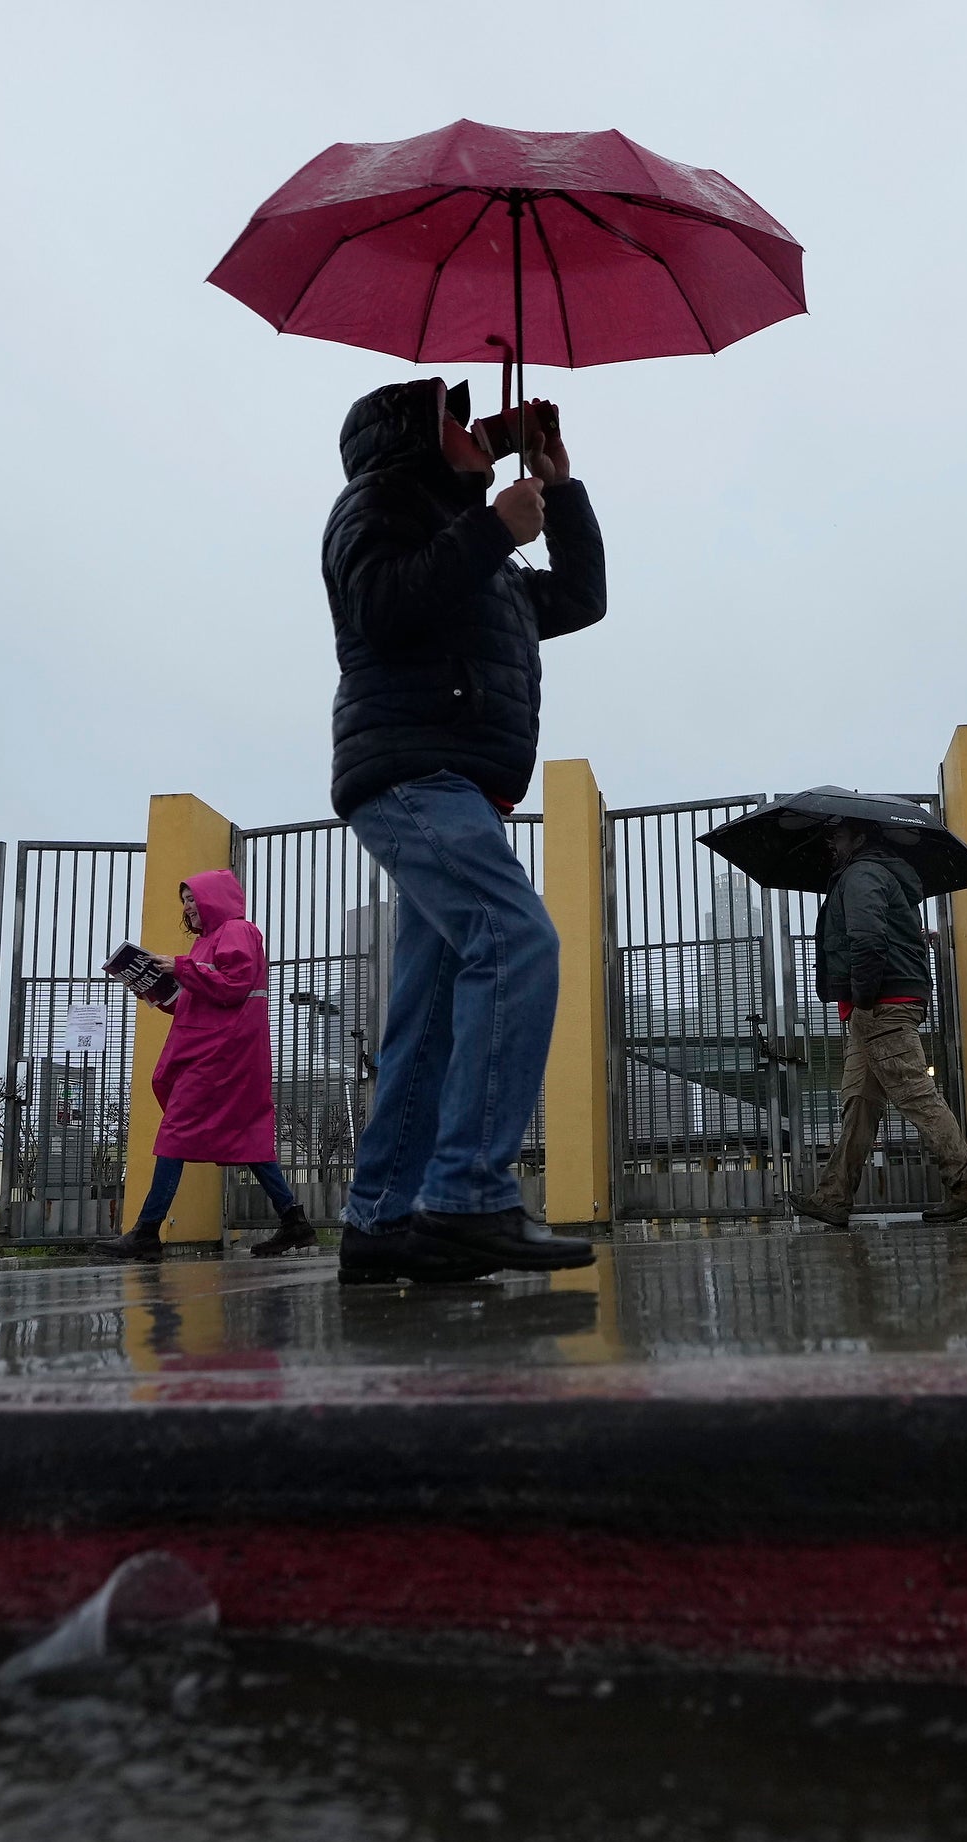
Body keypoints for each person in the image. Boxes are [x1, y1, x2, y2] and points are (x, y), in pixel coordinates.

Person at [322, 379, 605, 1284]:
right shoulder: (377, 504)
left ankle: (381, 1221)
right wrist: (493, 528)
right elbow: (383, 608)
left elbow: (583, 598)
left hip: (461, 794)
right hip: (413, 778)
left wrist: (555, 490)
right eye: (458, 417)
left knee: (431, 1012)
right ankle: (467, 1199)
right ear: (414, 436)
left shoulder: (481, 550)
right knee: (516, 939)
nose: (480, 430)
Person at [96, 870, 317, 1263]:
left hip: (220, 1055)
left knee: (177, 1130)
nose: (188, 907)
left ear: (214, 898)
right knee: (244, 1134)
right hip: (219, 1051)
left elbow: (232, 984)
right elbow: (194, 999)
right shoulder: (206, 943)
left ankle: (147, 1231)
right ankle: (293, 1220)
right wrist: (152, 986)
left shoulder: (237, 930)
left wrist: (178, 967)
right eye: (184, 901)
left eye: (193, 899)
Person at [787, 820, 967, 1229]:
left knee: (916, 1095)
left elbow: (867, 938)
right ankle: (833, 1197)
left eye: (838, 835)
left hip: (881, 1003)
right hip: (876, 1005)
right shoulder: (876, 874)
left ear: (860, 837)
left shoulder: (862, 874)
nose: (832, 842)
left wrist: (863, 997)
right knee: (859, 1106)